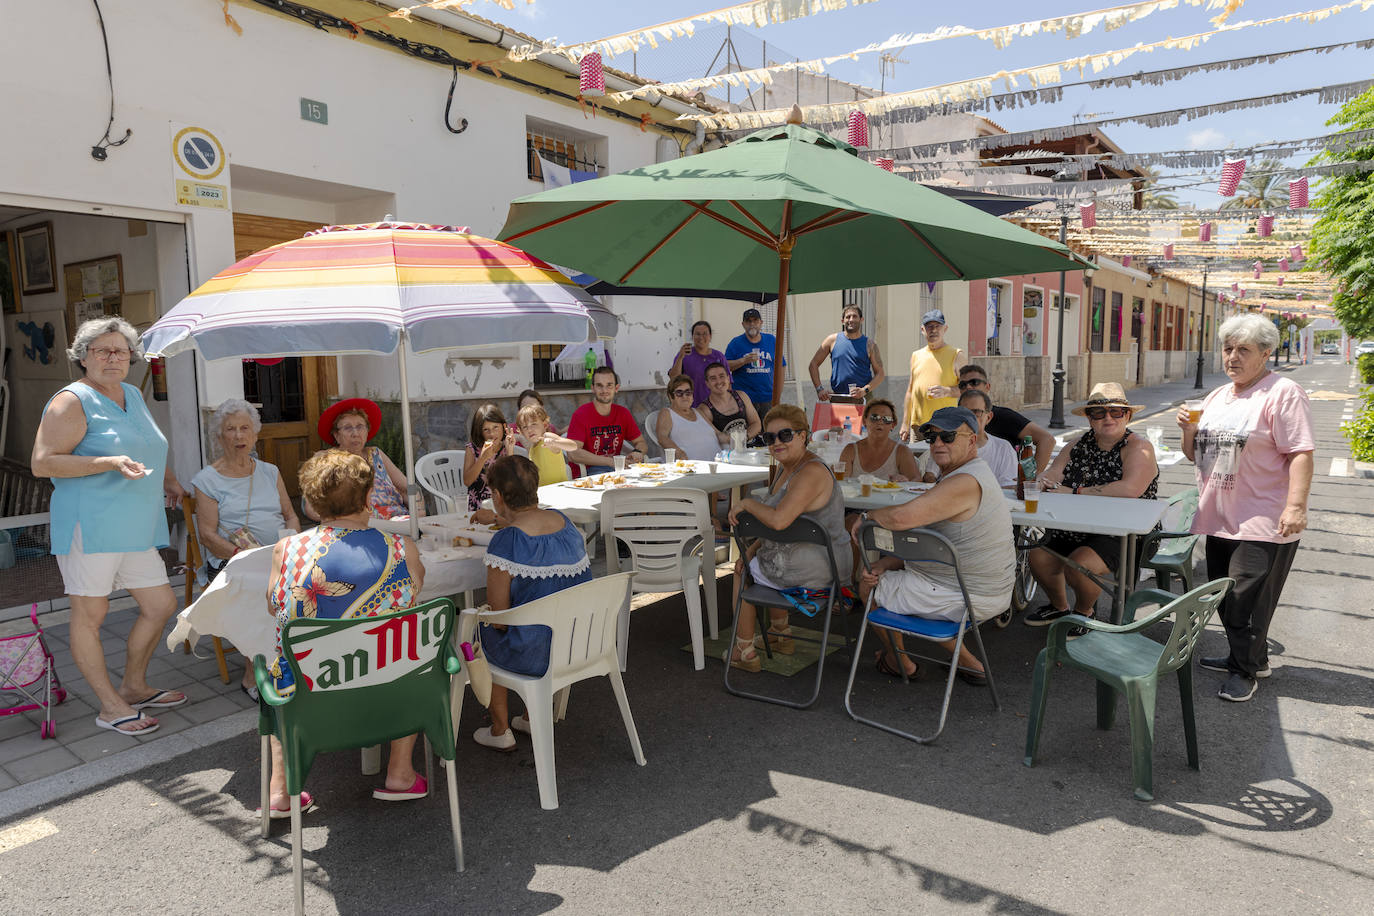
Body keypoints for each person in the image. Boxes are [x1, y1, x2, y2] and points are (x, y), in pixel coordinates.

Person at [32, 317, 189, 736]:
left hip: (135, 523)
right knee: (91, 615)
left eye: (120, 350)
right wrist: (106, 463)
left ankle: (134, 686)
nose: (113, 358)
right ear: (83, 357)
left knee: (160, 605)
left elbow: (146, 446)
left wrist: (168, 479)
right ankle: (109, 706)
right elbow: (43, 463)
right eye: (102, 350)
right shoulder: (71, 401)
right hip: (91, 524)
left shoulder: (131, 394)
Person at [266, 450, 427, 810]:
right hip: (384, 686)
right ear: (369, 497)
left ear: (311, 504)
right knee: (408, 656)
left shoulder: (286, 550)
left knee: (281, 668)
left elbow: (274, 605)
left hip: (308, 692)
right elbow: (414, 590)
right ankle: (399, 773)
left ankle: (281, 790)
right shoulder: (400, 549)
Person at [1178, 313, 1314, 702]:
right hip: (1218, 515)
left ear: (1266, 353)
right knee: (1225, 596)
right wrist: (1188, 430)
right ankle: (1251, 658)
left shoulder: (1283, 393)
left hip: (1263, 518)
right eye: (1227, 348)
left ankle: (1245, 671)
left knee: (1245, 601)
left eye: (1243, 349)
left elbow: (1301, 453)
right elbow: (1195, 455)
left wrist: (1296, 506)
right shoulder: (1218, 396)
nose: (1232, 357)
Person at [849, 407, 1015, 682]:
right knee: (895, 579)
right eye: (932, 437)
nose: (938, 443)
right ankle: (971, 664)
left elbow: (901, 518)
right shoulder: (969, 473)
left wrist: (867, 516)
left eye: (948, 436)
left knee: (869, 586)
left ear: (972, 440)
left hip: (967, 593)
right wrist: (887, 563)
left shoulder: (964, 481)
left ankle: (899, 662)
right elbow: (934, 547)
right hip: (972, 586)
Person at [473, 456, 592, 749]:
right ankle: (530, 716)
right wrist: (500, 520)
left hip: (536, 654)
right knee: (541, 608)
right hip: (579, 643)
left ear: (497, 496)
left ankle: (500, 730)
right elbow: (532, 527)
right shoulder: (564, 522)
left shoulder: (507, 541)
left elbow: (499, 618)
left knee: (482, 629)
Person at [724, 405, 853, 672]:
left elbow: (779, 521)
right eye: (769, 437)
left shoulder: (811, 471)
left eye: (785, 435)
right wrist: (752, 550)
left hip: (820, 567)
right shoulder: (788, 467)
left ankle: (744, 650)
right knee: (751, 561)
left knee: (741, 572)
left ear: (803, 436)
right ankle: (779, 634)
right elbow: (777, 527)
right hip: (813, 559)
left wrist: (747, 503)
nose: (777, 443)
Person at [1025, 382, 1159, 635]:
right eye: (1098, 412)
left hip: (1125, 532)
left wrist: (1074, 491)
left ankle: (1084, 612)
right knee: (1038, 556)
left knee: (1080, 564)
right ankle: (1059, 607)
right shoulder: (1077, 445)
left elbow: (1130, 489)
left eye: (1116, 411)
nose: (1107, 418)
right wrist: (1041, 481)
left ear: (1127, 416)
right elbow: (1054, 473)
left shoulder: (1139, 447)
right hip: (1077, 525)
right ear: (1089, 418)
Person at [191, 398, 300, 699]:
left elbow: (290, 514)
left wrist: (292, 543)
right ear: (219, 436)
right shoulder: (207, 480)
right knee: (261, 589)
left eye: (245, 428)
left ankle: (293, 657)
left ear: (255, 434)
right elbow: (207, 535)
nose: (239, 436)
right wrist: (245, 556)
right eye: (230, 429)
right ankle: (252, 675)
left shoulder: (270, 471)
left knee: (313, 578)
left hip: (277, 554)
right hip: (233, 560)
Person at [309, 398, 415, 520]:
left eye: (360, 427)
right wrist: (343, 521)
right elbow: (311, 508)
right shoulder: (325, 459)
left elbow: (409, 487)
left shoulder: (376, 454)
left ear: (367, 431)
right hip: (359, 525)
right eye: (348, 428)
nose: (355, 433)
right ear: (336, 435)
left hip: (399, 521)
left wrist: (419, 511)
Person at [954, 364, 1056, 475]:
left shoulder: (1003, 417)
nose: (968, 387)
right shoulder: (954, 419)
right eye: (963, 385)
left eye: (974, 382)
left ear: (987, 387)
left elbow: (1047, 439)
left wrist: (1032, 477)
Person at [565, 366, 647, 474]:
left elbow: (641, 442)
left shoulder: (623, 413)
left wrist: (638, 452)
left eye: (609, 385)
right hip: (588, 473)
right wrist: (610, 462)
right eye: (599, 385)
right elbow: (573, 453)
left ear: (616, 388)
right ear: (593, 388)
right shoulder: (581, 414)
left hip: (616, 469)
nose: (604, 390)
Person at [899, 309, 962, 439]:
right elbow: (910, 391)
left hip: (944, 427)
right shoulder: (916, 356)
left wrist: (947, 391)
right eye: (929, 326)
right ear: (923, 330)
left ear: (945, 329)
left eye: (937, 326)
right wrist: (905, 423)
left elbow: (968, 390)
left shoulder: (957, 355)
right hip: (918, 428)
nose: (933, 330)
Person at [809, 304, 886, 401]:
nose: (851, 320)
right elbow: (813, 364)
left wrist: (864, 390)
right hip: (838, 397)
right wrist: (819, 389)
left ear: (861, 319)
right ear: (842, 321)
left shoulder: (870, 345)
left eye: (854, 316)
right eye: (848, 317)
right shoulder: (831, 340)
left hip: (863, 398)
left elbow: (880, 374)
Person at [838, 399, 920, 482]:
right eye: (874, 417)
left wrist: (905, 482)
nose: (880, 422)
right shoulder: (850, 451)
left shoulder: (902, 452)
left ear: (893, 425)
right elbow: (841, 483)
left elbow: (916, 480)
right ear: (864, 421)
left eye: (887, 419)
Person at [724, 307, 781, 410]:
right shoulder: (735, 343)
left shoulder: (771, 340)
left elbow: (781, 365)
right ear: (743, 324)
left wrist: (778, 392)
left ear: (761, 323)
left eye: (755, 320)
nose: (752, 324)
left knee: (769, 421)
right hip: (744, 399)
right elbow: (725, 366)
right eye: (748, 321)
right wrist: (743, 360)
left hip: (768, 397)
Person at [959, 389, 1017, 488]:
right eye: (964, 412)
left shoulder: (1003, 449)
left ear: (988, 417)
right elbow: (932, 479)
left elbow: (1009, 488)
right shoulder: (945, 444)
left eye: (976, 412)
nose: (969, 418)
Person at [656, 374, 721, 461]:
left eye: (688, 392)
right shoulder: (667, 413)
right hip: (691, 466)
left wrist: (734, 437)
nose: (685, 397)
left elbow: (718, 434)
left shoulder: (698, 412)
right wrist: (679, 453)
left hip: (718, 463)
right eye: (679, 393)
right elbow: (662, 438)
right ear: (671, 397)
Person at [463, 403, 515, 511]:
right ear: (480, 431)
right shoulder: (472, 449)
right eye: (486, 430)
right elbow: (467, 481)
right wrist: (482, 458)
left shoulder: (505, 447)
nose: (492, 434)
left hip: (503, 505)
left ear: (504, 427)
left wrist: (510, 451)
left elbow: (513, 480)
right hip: (479, 506)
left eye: (495, 427)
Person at [699, 361, 762, 445]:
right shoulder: (705, 409)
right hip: (726, 452)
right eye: (713, 378)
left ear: (728, 379)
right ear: (707, 383)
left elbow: (756, 423)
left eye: (722, 376)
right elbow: (714, 438)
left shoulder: (741, 396)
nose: (719, 381)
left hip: (753, 447)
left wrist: (744, 438)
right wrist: (737, 442)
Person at [669, 320, 726, 405]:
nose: (701, 337)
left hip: (716, 406)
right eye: (697, 334)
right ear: (692, 336)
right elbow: (673, 378)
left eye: (705, 334)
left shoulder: (719, 356)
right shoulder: (684, 355)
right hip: (691, 406)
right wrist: (680, 357)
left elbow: (727, 382)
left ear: (710, 336)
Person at [517, 403, 575, 485]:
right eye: (525, 427)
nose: (529, 430)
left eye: (533, 424)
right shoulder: (532, 447)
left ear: (545, 425)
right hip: (543, 490)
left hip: (559, 489)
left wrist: (555, 442)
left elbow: (573, 446)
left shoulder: (547, 436)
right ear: (521, 432)